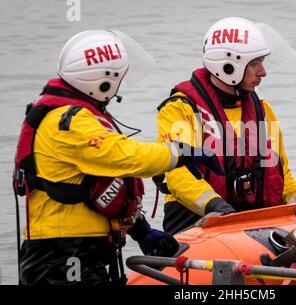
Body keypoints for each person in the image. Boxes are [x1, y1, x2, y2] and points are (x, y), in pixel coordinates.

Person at [12, 30, 222, 285]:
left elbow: (98, 188)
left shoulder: (77, 117)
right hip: (63, 258)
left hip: (85, 253)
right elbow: (127, 156)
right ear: (103, 80)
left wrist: (141, 231)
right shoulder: (68, 122)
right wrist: (181, 152)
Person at [155, 17, 296, 235]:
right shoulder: (180, 109)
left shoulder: (263, 110)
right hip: (197, 224)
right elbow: (179, 176)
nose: (263, 72)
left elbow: (282, 176)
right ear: (228, 65)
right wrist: (216, 206)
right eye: (255, 63)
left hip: (252, 226)